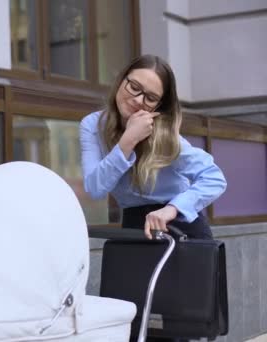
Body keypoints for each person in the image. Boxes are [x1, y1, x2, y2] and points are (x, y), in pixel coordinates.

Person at [79, 54, 226, 341]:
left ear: (160, 106)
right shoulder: (92, 125)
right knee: (131, 323)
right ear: (122, 80)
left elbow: (214, 178)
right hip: (135, 227)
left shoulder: (165, 136)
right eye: (134, 86)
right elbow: (95, 188)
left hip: (180, 227)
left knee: (180, 328)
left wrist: (173, 209)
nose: (137, 100)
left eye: (150, 97)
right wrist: (127, 141)